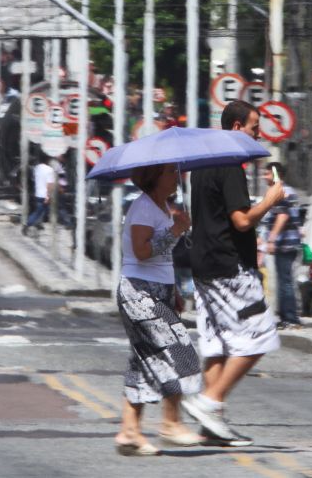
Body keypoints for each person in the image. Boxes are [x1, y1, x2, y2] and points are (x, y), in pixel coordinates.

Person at [185, 100, 285, 447]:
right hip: (229, 266)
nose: (259, 133)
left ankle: (211, 425)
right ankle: (210, 402)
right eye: (255, 127)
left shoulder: (200, 165)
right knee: (260, 336)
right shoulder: (230, 163)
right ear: (238, 126)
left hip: (202, 264)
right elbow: (241, 220)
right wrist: (271, 199)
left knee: (217, 344)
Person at [114, 163, 203, 456]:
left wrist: (173, 289)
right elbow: (141, 252)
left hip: (158, 290)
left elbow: (161, 257)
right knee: (179, 351)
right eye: (169, 172)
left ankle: (129, 431)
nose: (175, 177)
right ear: (154, 178)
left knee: (144, 361)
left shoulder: (163, 207)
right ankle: (171, 422)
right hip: (140, 293)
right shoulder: (143, 208)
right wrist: (175, 230)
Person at [260, 162, 302, 329]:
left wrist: (271, 240)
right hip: (286, 244)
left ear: (276, 175)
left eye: (268, 174)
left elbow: (282, 217)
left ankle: (290, 318)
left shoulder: (281, 192)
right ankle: (286, 317)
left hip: (285, 244)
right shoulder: (284, 191)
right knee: (284, 279)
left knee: (285, 281)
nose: (264, 177)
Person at [22, 153, 56, 236]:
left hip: (38, 193)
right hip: (45, 195)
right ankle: (27, 224)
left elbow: (35, 179)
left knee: (42, 211)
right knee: (40, 212)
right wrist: (48, 196)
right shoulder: (49, 170)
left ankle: (38, 224)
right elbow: (50, 184)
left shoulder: (37, 168)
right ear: (47, 160)